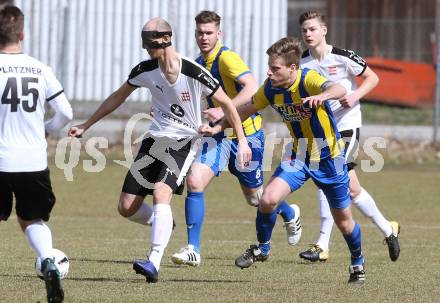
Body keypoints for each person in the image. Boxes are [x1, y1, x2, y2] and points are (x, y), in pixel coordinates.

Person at [68, 17, 251, 283]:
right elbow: (117, 97)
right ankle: (163, 222)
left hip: (184, 141)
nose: (146, 50)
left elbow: (228, 105)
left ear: (165, 40)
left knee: (160, 192)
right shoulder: (144, 69)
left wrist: (242, 140)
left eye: (149, 44)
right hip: (154, 140)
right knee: (127, 207)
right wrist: (87, 124)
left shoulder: (193, 71)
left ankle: (153, 261)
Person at [203, 37, 367, 284]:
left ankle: (357, 262)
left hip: (329, 158)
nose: (269, 71)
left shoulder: (308, 79)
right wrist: (219, 127)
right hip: (299, 155)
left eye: (275, 68)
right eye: (269, 66)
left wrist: (323, 96)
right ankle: (262, 248)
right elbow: (246, 108)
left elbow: (340, 89)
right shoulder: (270, 88)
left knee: (344, 223)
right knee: (267, 199)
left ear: (292, 68)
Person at [170, 10, 302, 267]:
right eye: (200, 32)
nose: (204, 37)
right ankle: (192, 249)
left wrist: (223, 109)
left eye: (209, 33)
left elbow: (253, 88)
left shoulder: (227, 58)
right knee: (195, 181)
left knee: (255, 198)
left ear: (219, 34)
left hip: (248, 136)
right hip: (219, 136)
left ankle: (288, 211)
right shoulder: (198, 62)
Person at [296, 11, 400, 263]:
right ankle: (388, 229)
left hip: (347, 126)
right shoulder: (303, 62)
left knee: (327, 171)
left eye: (312, 29)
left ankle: (322, 244)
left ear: (324, 30)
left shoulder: (342, 57)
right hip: (323, 129)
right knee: (351, 189)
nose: (308, 34)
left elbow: (373, 77)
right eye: (304, 30)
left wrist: (355, 96)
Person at [0, 5, 72, 302]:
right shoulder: (41, 69)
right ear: (23, 34)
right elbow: (66, 113)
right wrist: (47, 130)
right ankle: (48, 261)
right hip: (33, 160)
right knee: (31, 219)